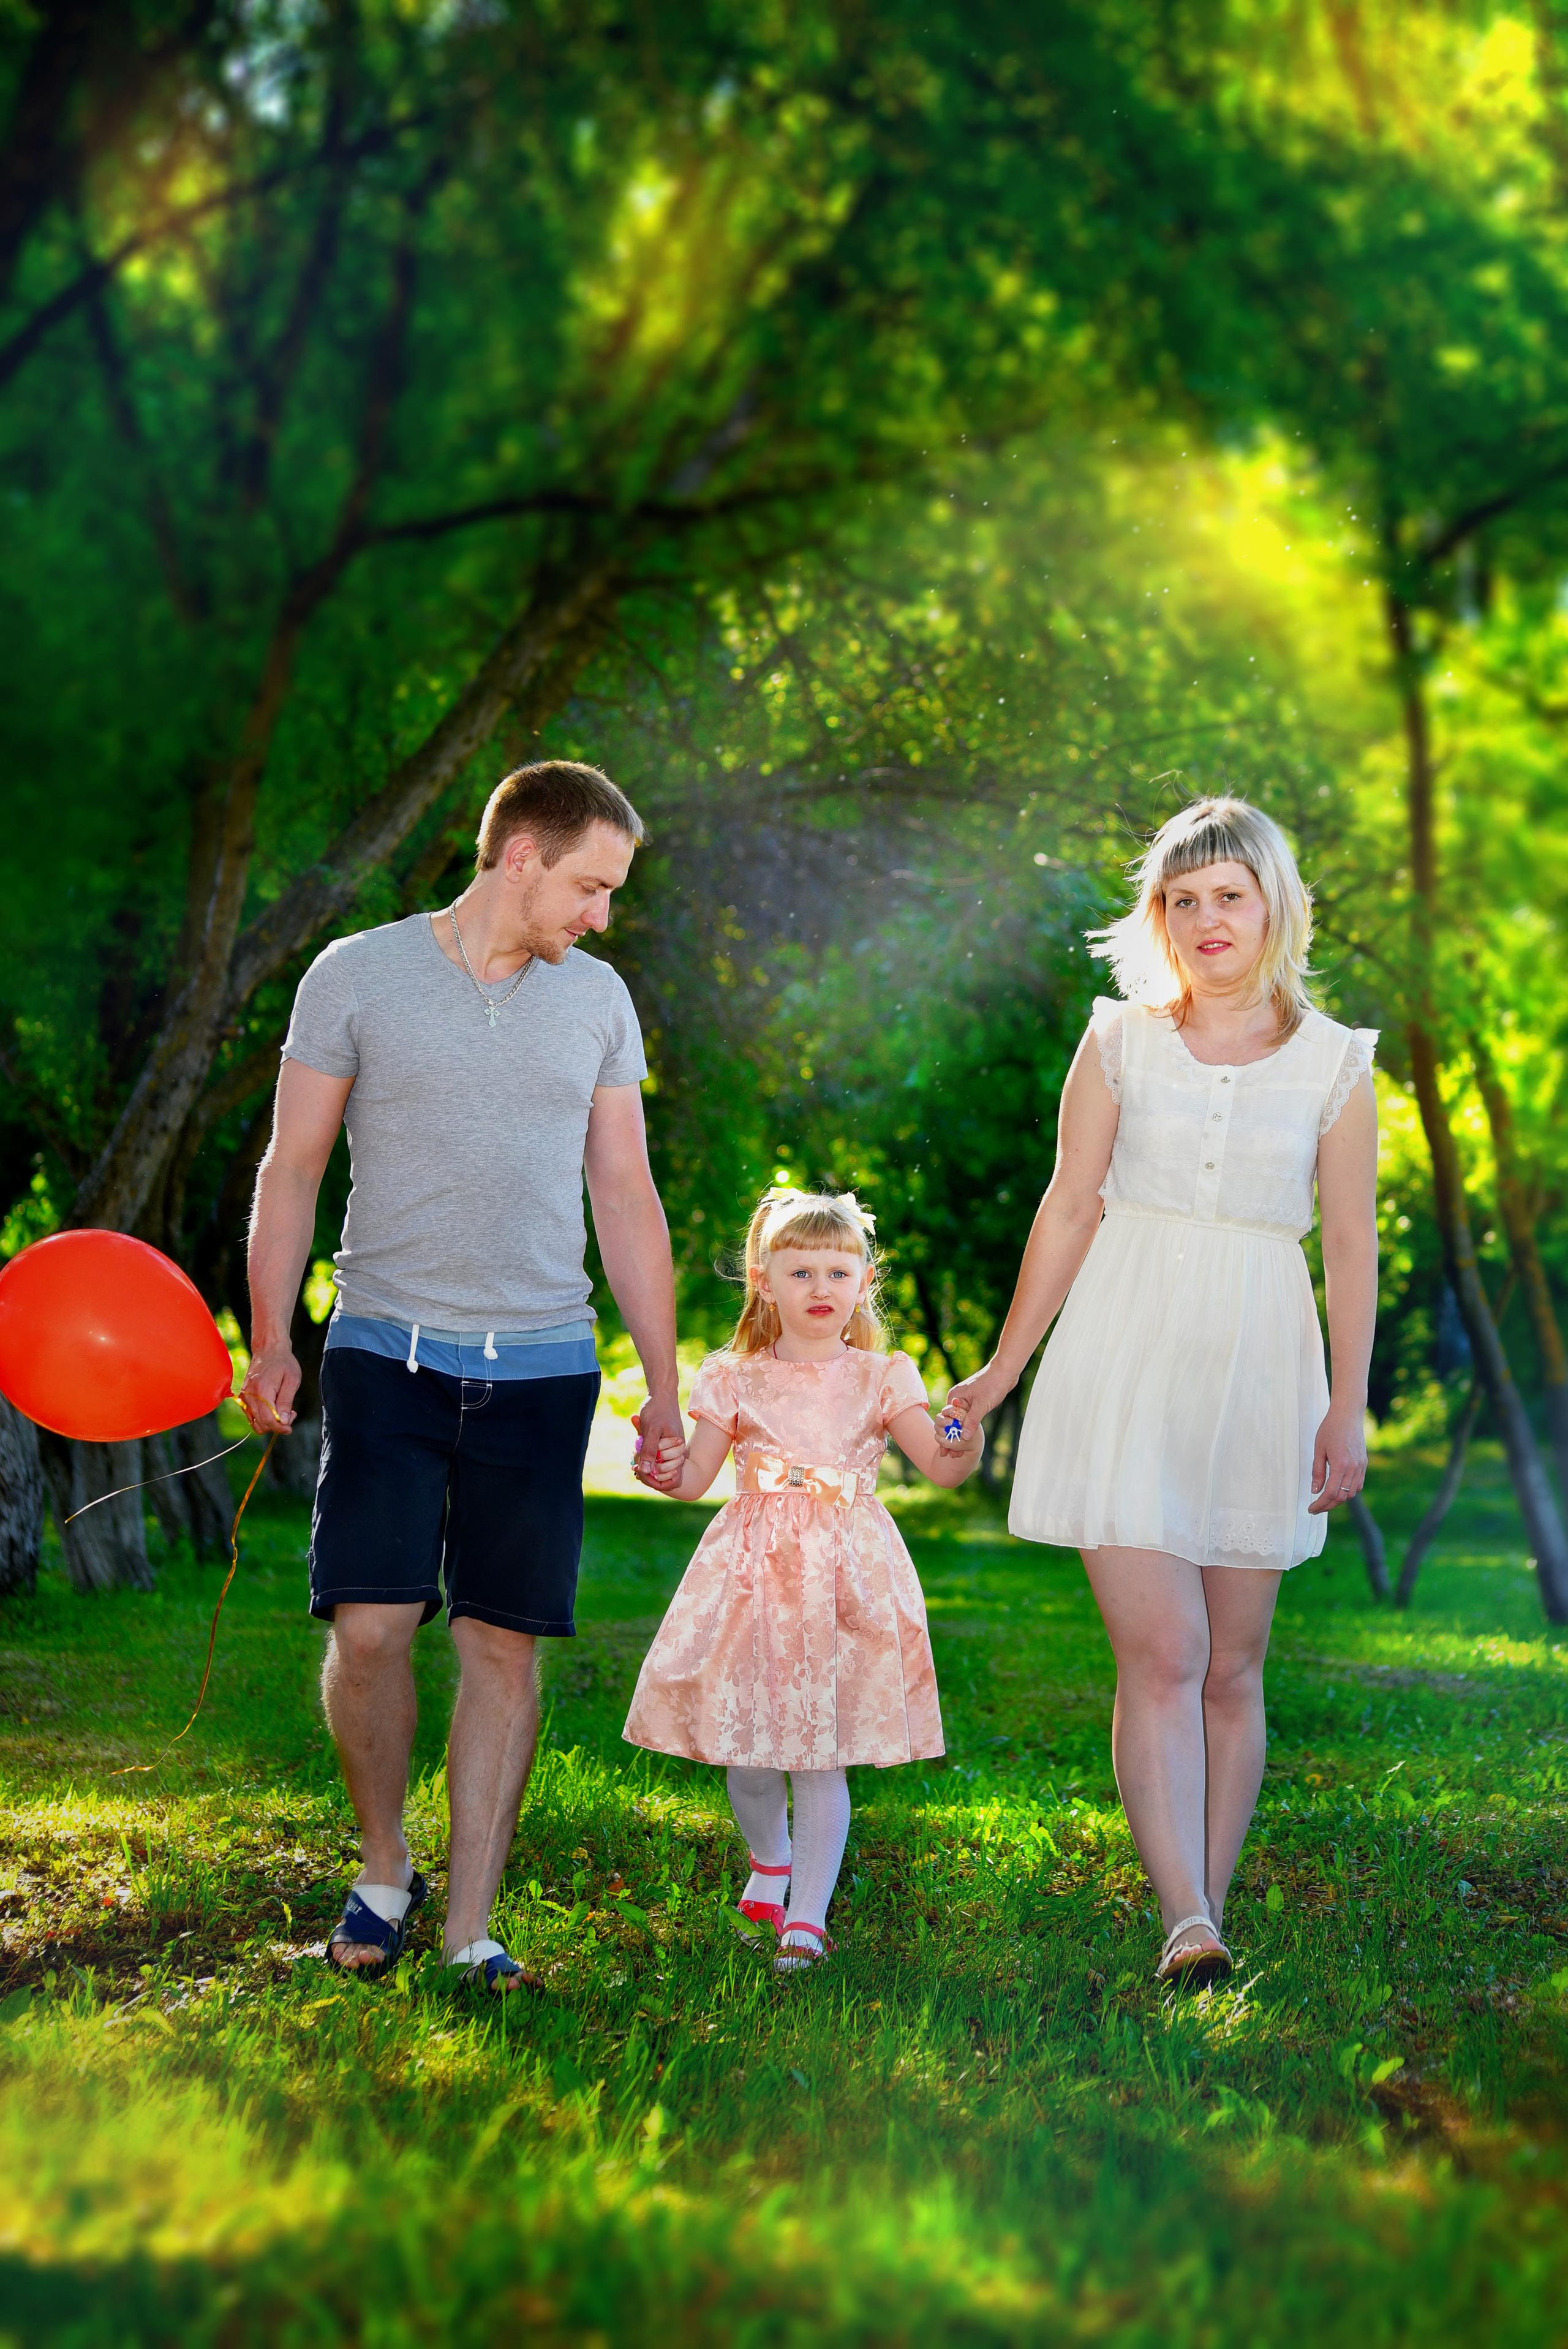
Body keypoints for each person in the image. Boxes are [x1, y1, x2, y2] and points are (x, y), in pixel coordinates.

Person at [240, 760, 685, 1992]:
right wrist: (273, 1333)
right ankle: (385, 1869)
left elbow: (625, 1195)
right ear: (521, 856)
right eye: (590, 886)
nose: (598, 917)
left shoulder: (597, 1003)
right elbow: (292, 1166)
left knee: (503, 1646)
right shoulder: (357, 974)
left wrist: (663, 1379)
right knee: (373, 1628)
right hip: (386, 1347)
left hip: (541, 1370)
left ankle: (469, 1926)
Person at [944, 799, 1378, 1989]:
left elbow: (1347, 1245)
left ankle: (1208, 1907)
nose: (1202, 920)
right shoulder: (1117, 1040)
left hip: (1260, 1370)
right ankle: (1179, 1916)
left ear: (1272, 905)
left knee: (1232, 1667)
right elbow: (1066, 1206)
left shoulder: (1337, 1063)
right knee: (1165, 1650)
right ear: (1158, 919)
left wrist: (1345, 1404)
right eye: (1179, 901)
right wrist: (999, 1369)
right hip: (1119, 1355)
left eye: (1225, 895)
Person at [623, 1187, 983, 1972]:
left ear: (862, 1281)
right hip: (753, 1578)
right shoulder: (733, 1376)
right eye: (801, 1273)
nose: (821, 1289)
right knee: (748, 1753)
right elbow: (695, 1481)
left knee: (820, 1750)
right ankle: (770, 1859)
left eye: (837, 1272)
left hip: (845, 1578)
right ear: (764, 1280)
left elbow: (941, 1466)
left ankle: (806, 1918)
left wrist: (967, 1435)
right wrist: (663, 1466)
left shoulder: (884, 1374)